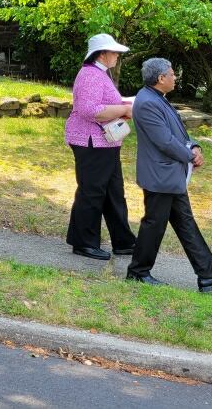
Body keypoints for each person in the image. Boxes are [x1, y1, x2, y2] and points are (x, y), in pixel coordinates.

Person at [126, 57, 212, 292]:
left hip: (169, 176)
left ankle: (208, 275)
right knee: (154, 225)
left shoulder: (158, 99)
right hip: (160, 176)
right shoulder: (148, 102)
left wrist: (194, 145)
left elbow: (178, 131)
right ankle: (137, 272)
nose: (175, 77)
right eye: (172, 73)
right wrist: (190, 156)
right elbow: (164, 141)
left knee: (186, 224)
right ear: (160, 79)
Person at [64, 33, 137, 261]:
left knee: (114, 192)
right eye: (114, 52)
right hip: (91, 142)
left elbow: (106, 104)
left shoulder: (99, 74)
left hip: (105, 142)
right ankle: (84, 243)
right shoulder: (90, 75)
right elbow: (90, 110)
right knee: (92, 192)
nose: (117, 56)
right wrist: (125, 110)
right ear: (102, 54)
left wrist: (127, 103)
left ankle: (123, 242)